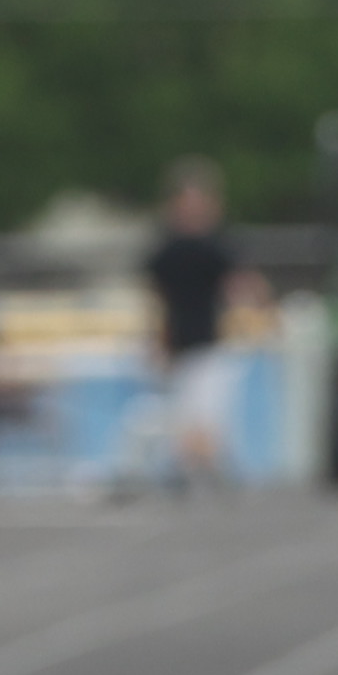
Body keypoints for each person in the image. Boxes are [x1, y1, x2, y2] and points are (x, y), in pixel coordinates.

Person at [142, 159, 251, 492]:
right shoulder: (166, 251)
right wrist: (156, 339)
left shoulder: (218, 248)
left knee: (206, 410)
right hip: (179, 341)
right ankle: (197, 466)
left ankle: (197, 466)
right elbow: (155, 299)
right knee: (188, 413)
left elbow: (240, 288)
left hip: (210, 341)